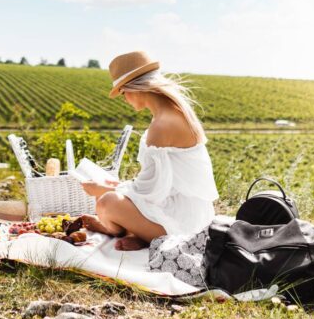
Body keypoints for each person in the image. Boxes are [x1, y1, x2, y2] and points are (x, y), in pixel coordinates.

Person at [81, 51, 219, 251]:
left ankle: (128, 232)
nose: (125, 99)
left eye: (123, 92)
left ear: (134, 88)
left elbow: (151, 192)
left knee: (106, 202)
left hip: (183, 224)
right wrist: (121, 186)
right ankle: (139, 234)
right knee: (111, 198)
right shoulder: (171, 113)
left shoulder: (162, 124)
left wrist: (106, 190)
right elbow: (164, 183)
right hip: (187, 212)